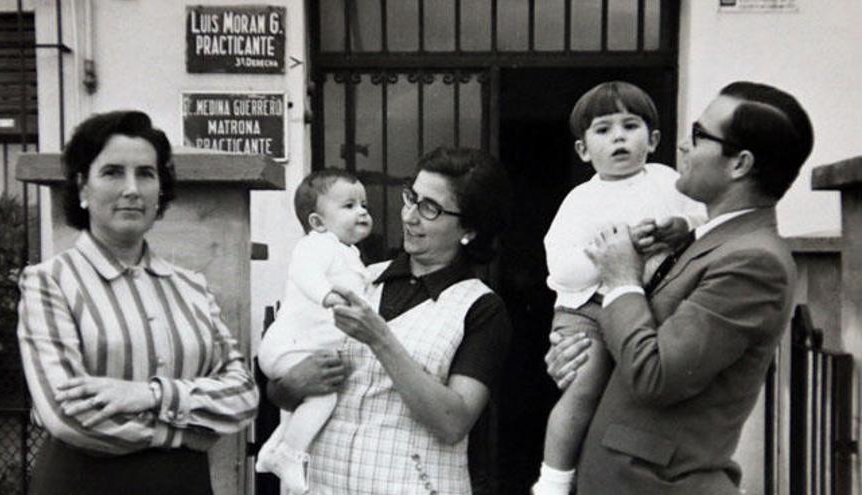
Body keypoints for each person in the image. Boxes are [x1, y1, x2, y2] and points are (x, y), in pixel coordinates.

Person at [546, 81, 814, 494]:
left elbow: (657, 375)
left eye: (699, 135)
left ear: (739, 164)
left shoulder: (753, 261)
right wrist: (576, 355)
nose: (683, 146)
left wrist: (620, 280)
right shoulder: (705, 241)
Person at [16, 110, 259, 495]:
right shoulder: (49, 283)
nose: (132, 189)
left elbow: (243, 395)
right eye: (112, 172)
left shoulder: (191, 288)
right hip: (86, 483)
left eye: (146, 174)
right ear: (82, 186)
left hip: (184, 486)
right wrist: (189, 433)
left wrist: (152, 395)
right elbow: (67, 416)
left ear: (160, 188)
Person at [266, 147, 513, 494]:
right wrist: (288, 385)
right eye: (411, 197)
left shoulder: (481, 309)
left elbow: (452, 422)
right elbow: (283, 382)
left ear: (469, 228)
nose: (410, 216)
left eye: (430, 208)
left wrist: (380, 340)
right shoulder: (356, 278)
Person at [533, 81, 706, 495]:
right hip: (587, 308)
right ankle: (553, 481)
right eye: (604, 130)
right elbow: (560, 268)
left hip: (648, 306)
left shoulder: (668, 181)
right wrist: (610, 253)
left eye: (630, 126)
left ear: (654, 139)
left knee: (642, 391)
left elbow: (703, 219)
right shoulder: (580, 200)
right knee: (584, 385)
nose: (619, 138)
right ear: (583, 150)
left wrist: (680, 229)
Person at [255, 169, 373, 493]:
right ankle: (290, 455)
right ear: (318, 222)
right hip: (289, 346)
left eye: (364, 204)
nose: (362, 211)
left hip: (301, 347)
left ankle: (272, 449)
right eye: (349, 206)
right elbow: (303, 272)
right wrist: (326, 295)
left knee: (305, 402)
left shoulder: (348, 253)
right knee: (323, 398)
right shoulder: (318, 244)